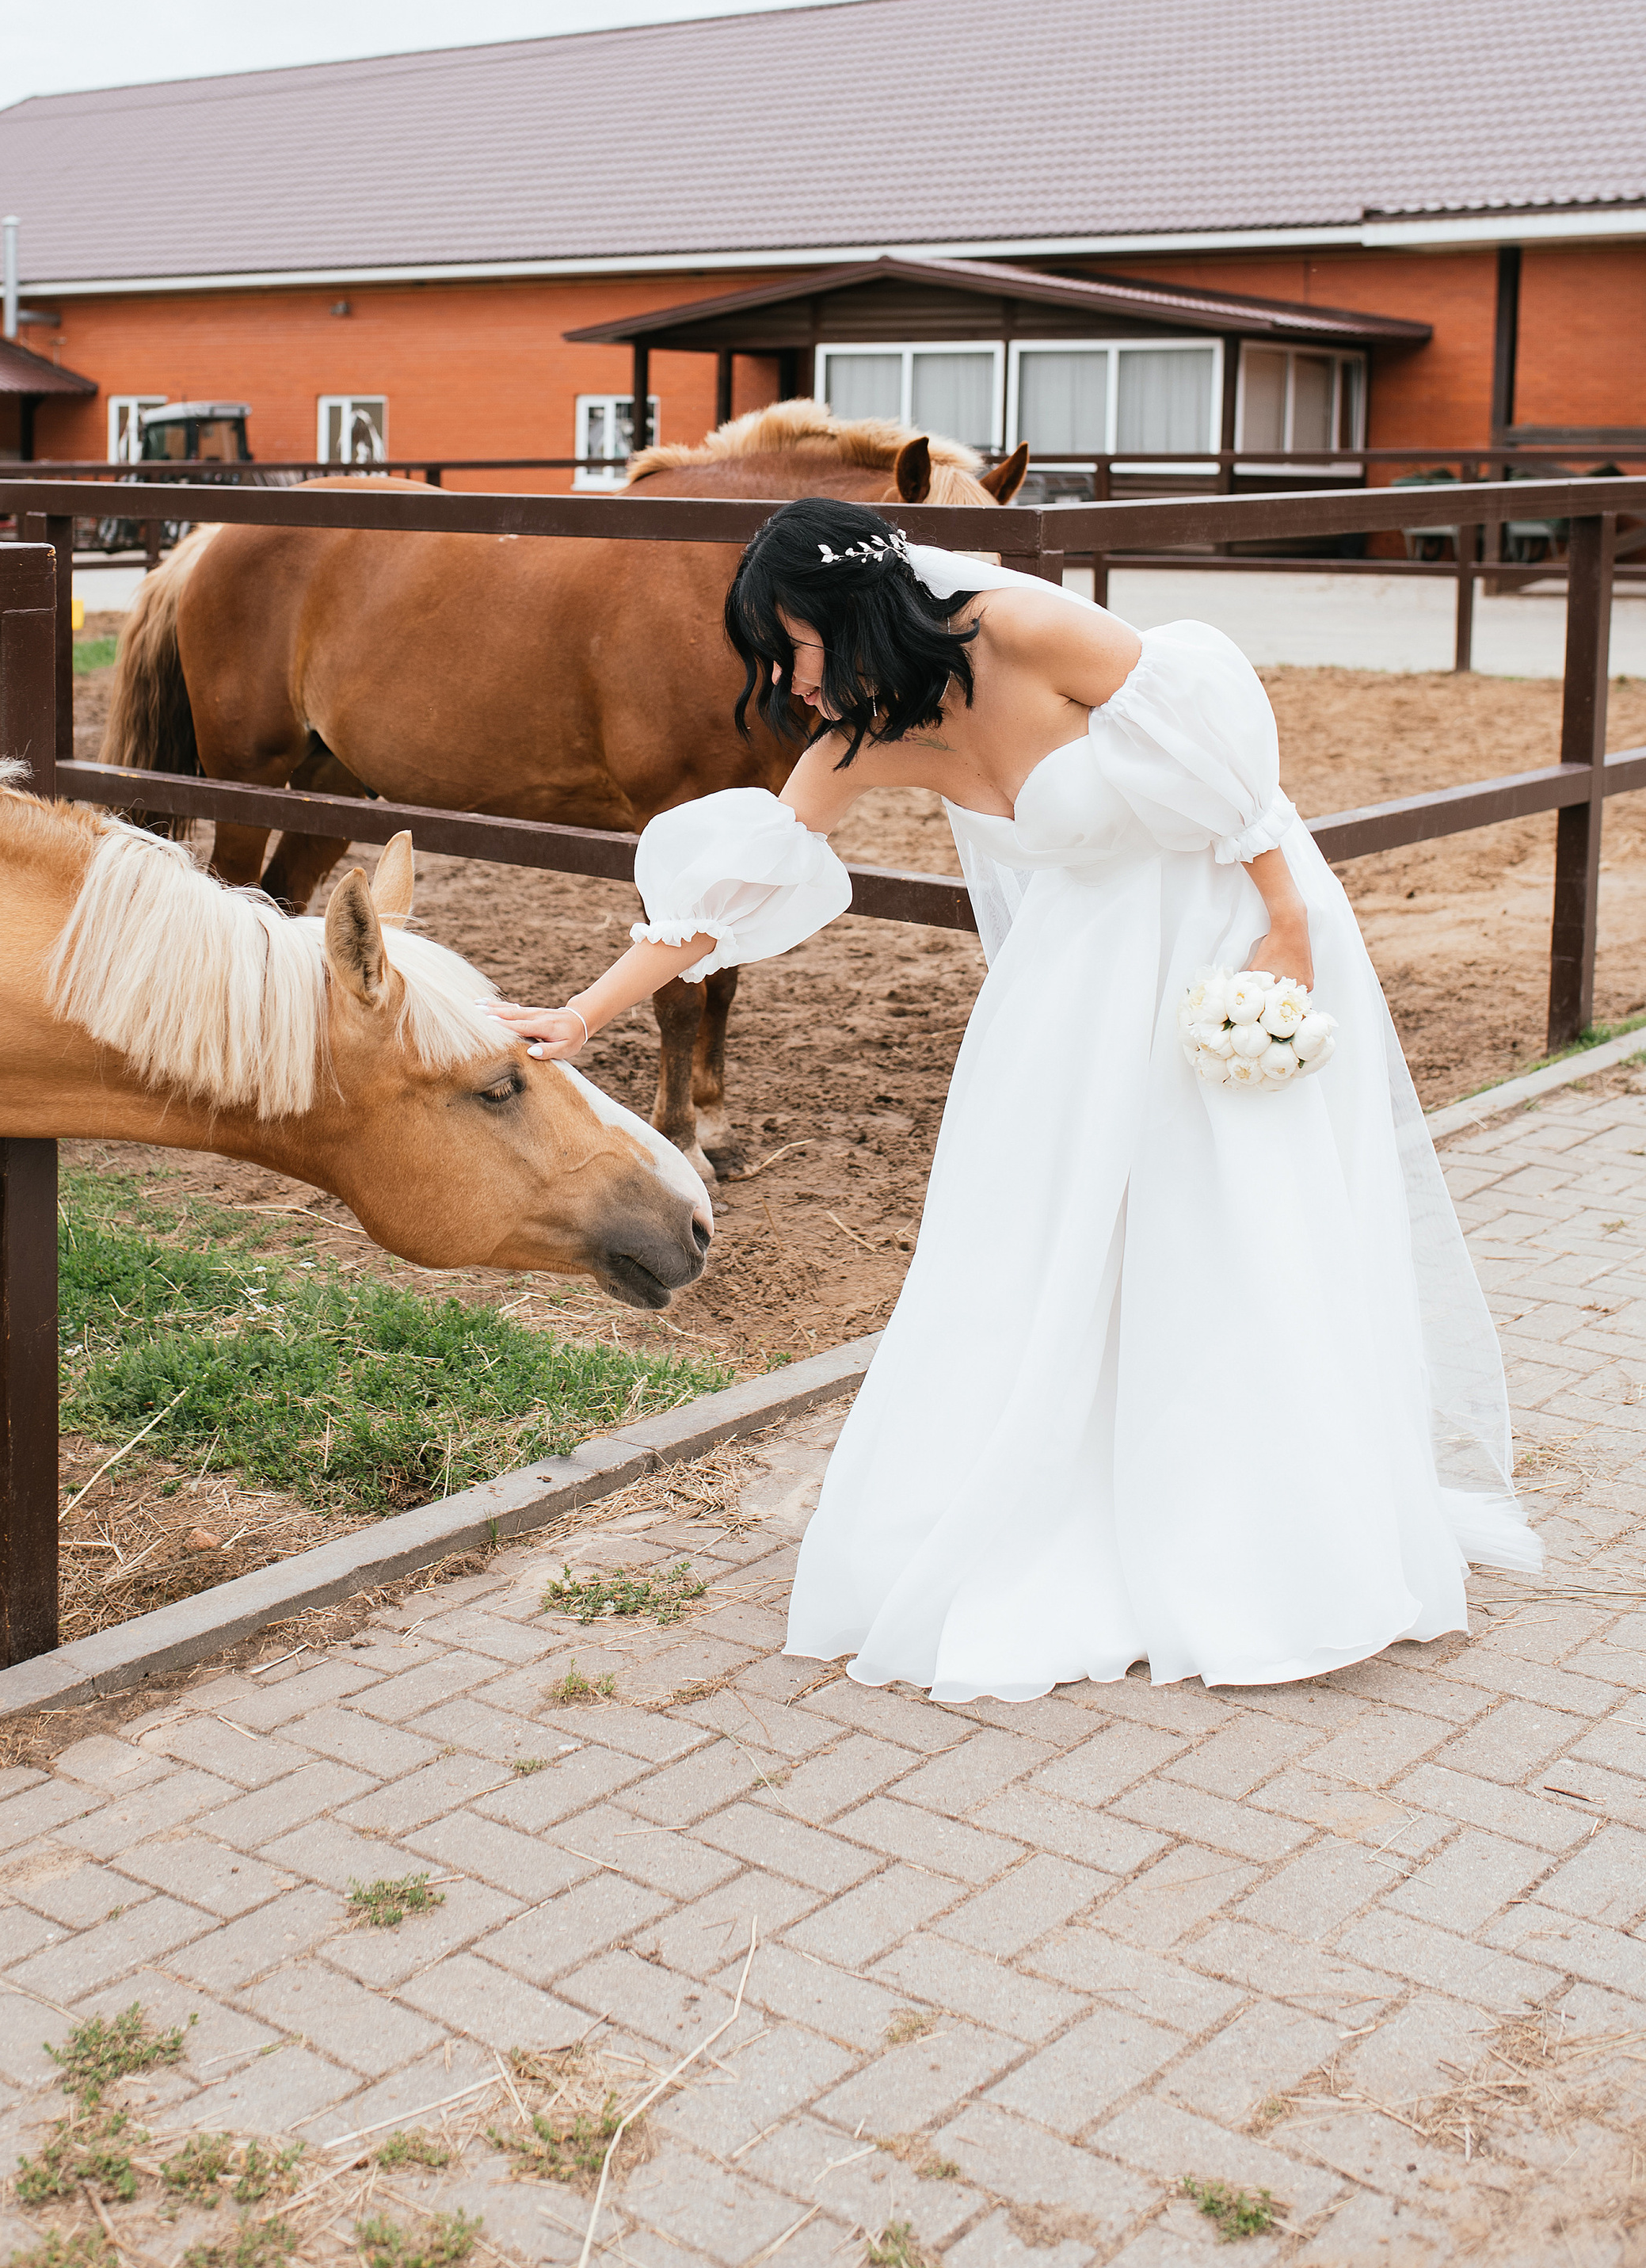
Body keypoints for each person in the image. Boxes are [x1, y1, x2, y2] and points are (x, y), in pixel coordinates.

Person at [491, 494, 1537, 1706]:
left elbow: (1221, 753)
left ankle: (1259, 1528)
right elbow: (726, 897)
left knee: (1229, 1214)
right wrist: (580, 1014)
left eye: (797, 646)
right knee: (1029, 1226)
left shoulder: (1024, 627)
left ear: (856, 609)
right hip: (1076, 977)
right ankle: (1050, 1494)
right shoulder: (861, 739)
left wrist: (1289, 924)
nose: (789, 682)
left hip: (1220, 924)